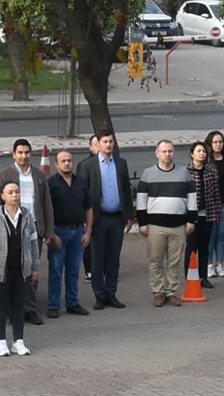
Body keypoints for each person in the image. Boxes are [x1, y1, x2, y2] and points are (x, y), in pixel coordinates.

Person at [0, 174, 40, 355]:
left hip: (21, 269)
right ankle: (0, 341)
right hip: (2, 270)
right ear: (2, 195)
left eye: (17, 192)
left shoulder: (27, 216)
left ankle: (18, 340)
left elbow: (33, 242)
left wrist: (35, 266)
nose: (15, 195)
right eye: (11, 192)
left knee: (18, 305)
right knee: (1, 305)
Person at [140, 138, 197, 305]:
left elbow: (192, 198)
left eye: (170, 151)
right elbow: (142, 200)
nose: (167, 154)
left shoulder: (183, 173)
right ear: (157, 153)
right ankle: (158, 292)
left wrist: (191, 220)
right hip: (155, 226)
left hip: (178, 226)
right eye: (164, 151)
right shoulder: (148, 173)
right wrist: (143, 223)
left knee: (174, 261)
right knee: (155, 261)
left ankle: (171, 291)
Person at [82, 133, 136, 309]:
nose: (108, 145)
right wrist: (85, 220)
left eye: (111, 141)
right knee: (97, 258)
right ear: (98, 144)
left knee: (114, 258)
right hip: (99, 218)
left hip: (117, 218)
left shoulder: (121, 163)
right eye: (105, 142)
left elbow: (126, 191)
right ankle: (99, 295)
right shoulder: (88, 165)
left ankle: (111, 293)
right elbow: (83, 194)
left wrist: (129, 216)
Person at [44, 148, 90, 318]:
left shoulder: (81, 182)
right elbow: (46, 210)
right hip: (59, 232)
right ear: (56, 164)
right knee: (56, 270)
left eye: (69, 160)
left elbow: (89, 208)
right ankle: (53, 305)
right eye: (63, 161)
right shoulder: (51, 184)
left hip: (78, 231)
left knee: (74, 270)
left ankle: (72, 303)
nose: (67, 163)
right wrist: (50, 233)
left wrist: (88, 231)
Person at [194, 131, 224, 281]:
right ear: (209, 143)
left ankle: (219, 264)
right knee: (211, 235)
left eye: (220, 142)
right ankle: (208, 264)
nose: (218, 145)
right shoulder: (206, 162)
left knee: (222, 235)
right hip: (209, 205)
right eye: (215, 142)